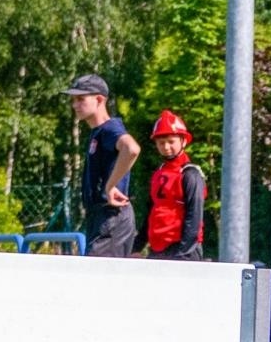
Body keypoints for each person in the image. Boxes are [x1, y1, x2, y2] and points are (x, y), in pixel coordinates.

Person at [65, 73, 140, 258]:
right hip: (101, 216)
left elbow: (131, 149)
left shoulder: (110, 128)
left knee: (97, 280)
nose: (75, 105)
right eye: (73, 100)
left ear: (99, 99)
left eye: (81, 99)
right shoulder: (97, 133)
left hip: (113, 216)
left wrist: (110, 186)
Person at [144, 110, 206, 261]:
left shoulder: (190, 174)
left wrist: (183, 254)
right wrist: (137, 246)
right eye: (161, 142)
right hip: (158, 248)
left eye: (171, 142)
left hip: (183, 250)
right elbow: (150, 212)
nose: (166, 147)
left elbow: (194, 215)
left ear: (183, 141)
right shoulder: (158, 173)